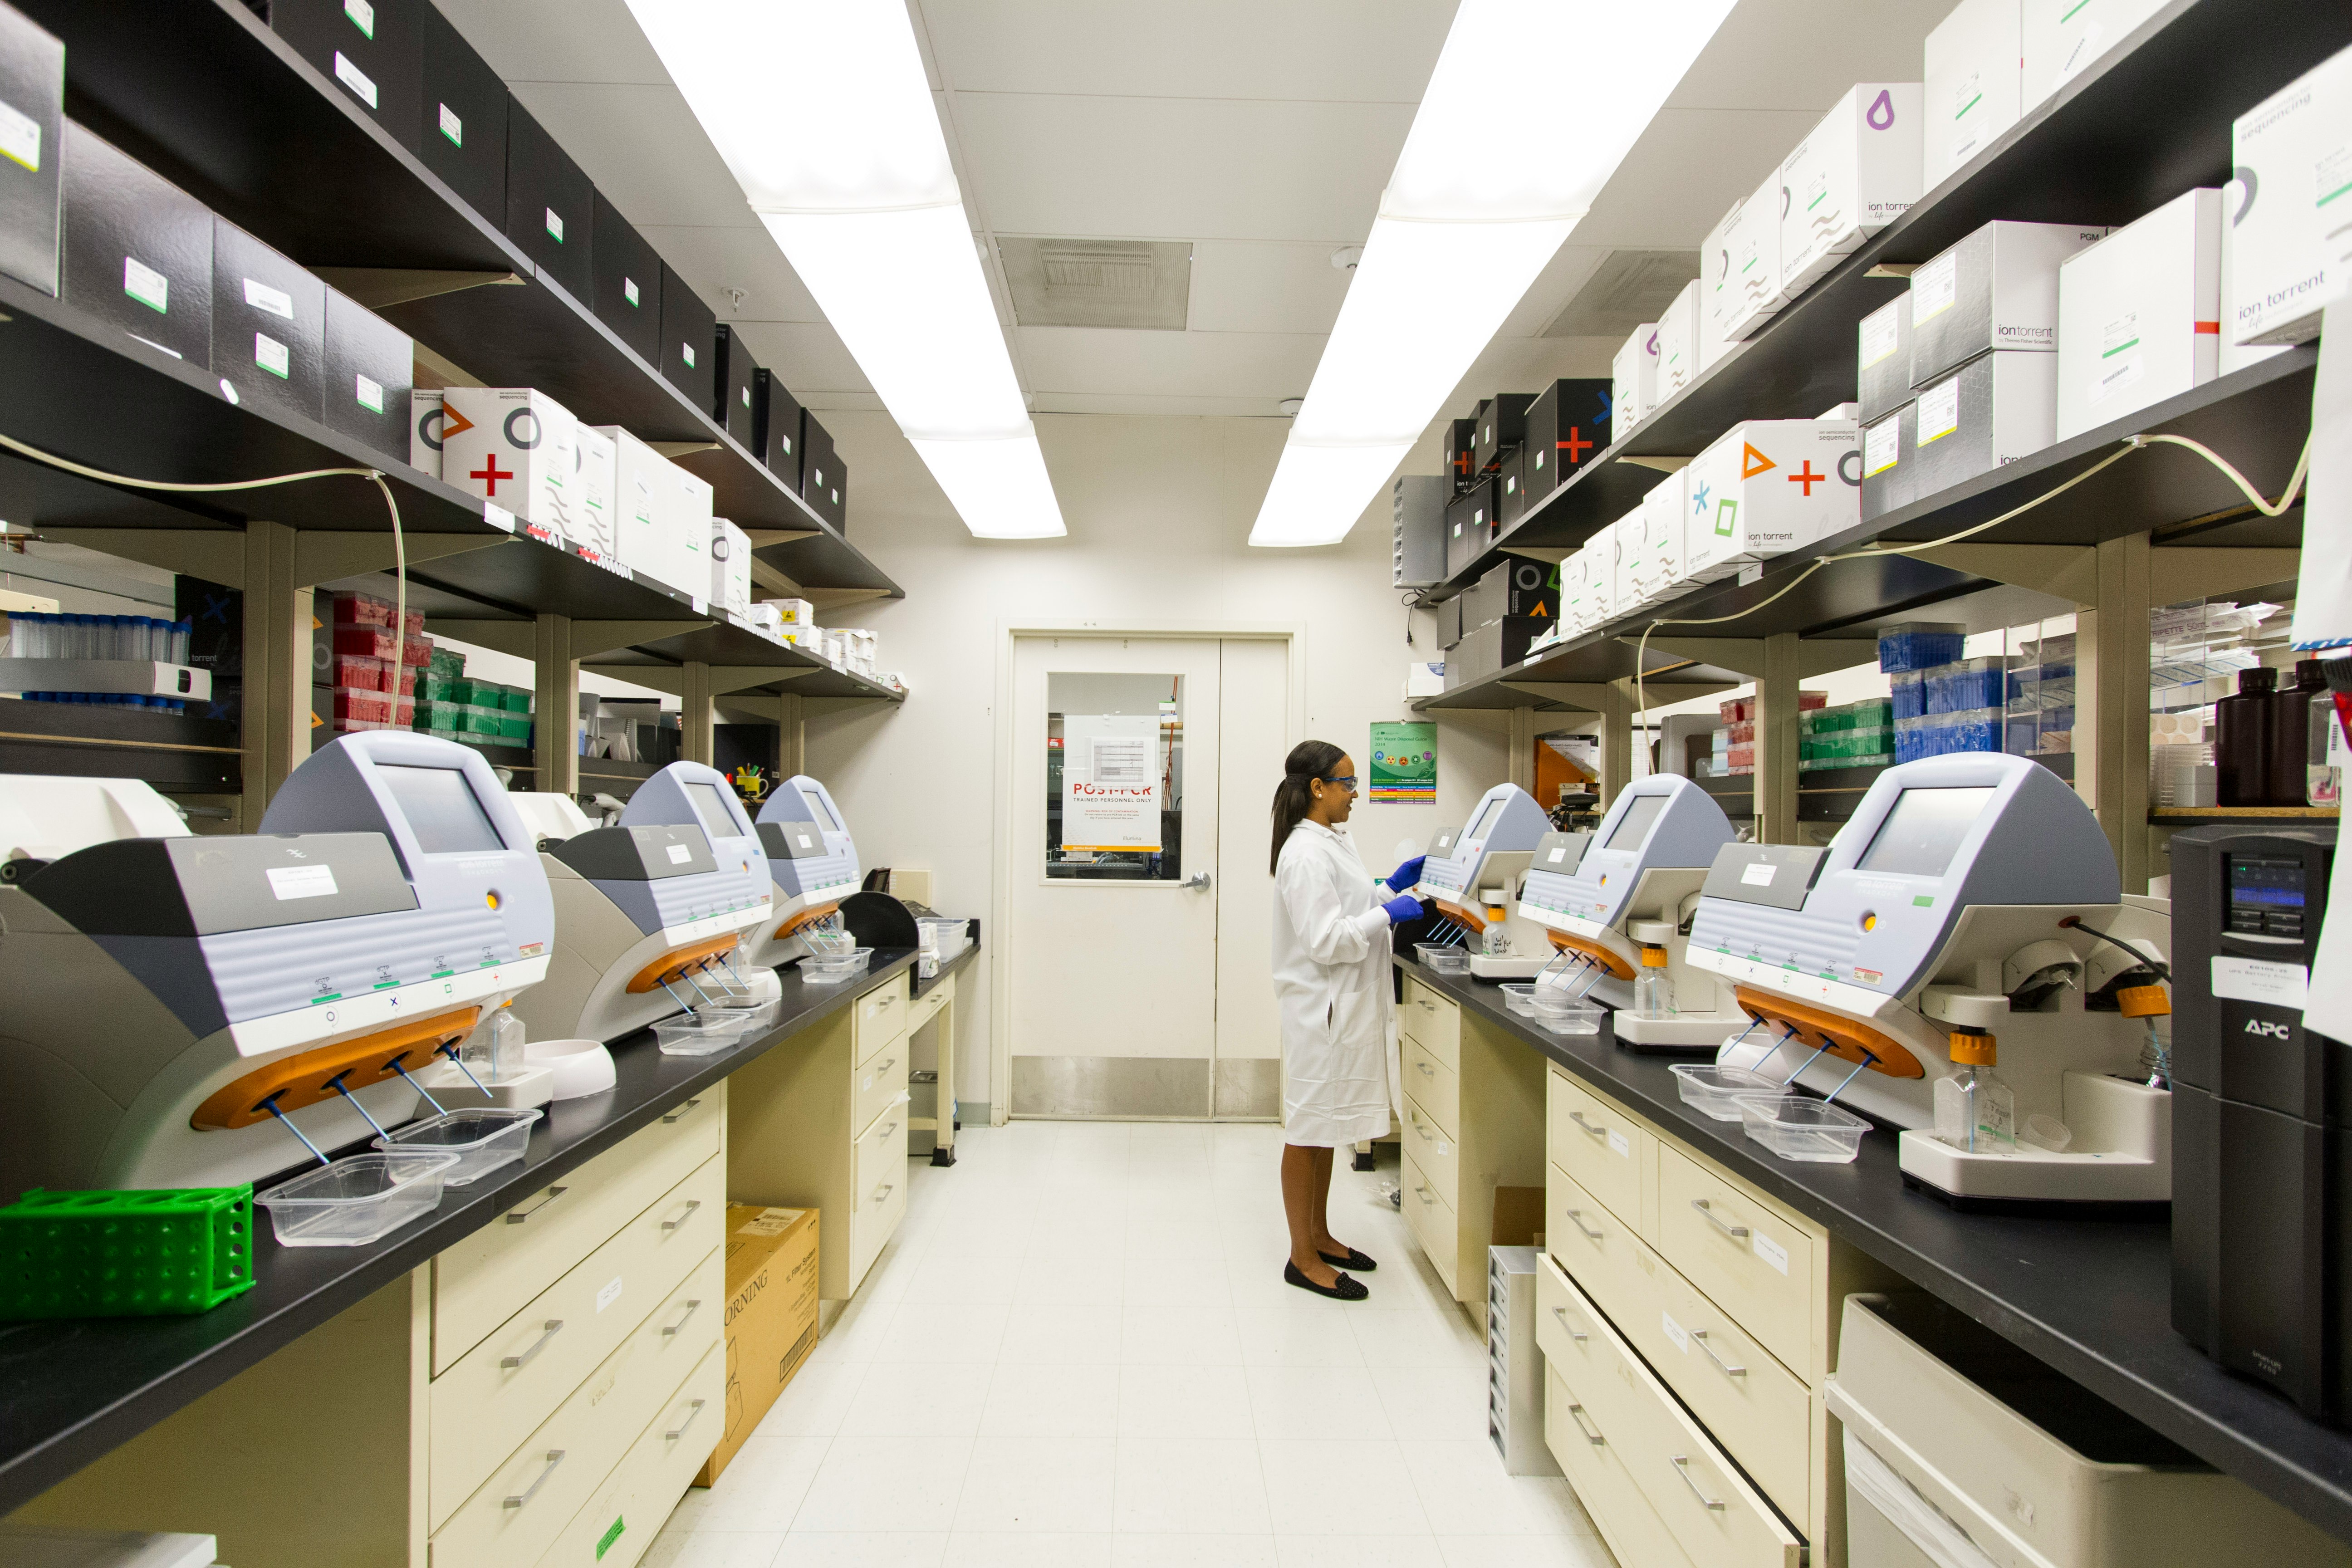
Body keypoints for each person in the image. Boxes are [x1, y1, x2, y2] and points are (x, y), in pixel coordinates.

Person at [1268, 740, 1426, 1300]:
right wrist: (1388, 914)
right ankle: (1301, 1257)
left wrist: (1389, 888)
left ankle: (1321, 1235)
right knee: (1307, 1129)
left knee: (1326, 1129)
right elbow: (1327, 938)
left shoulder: (1331, 841)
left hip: (1338, 1008)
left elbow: (1347, 908)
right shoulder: (1305, 853)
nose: (1355, 794)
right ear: (1318, 789)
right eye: (1348, 784)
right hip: (1320, 1012)